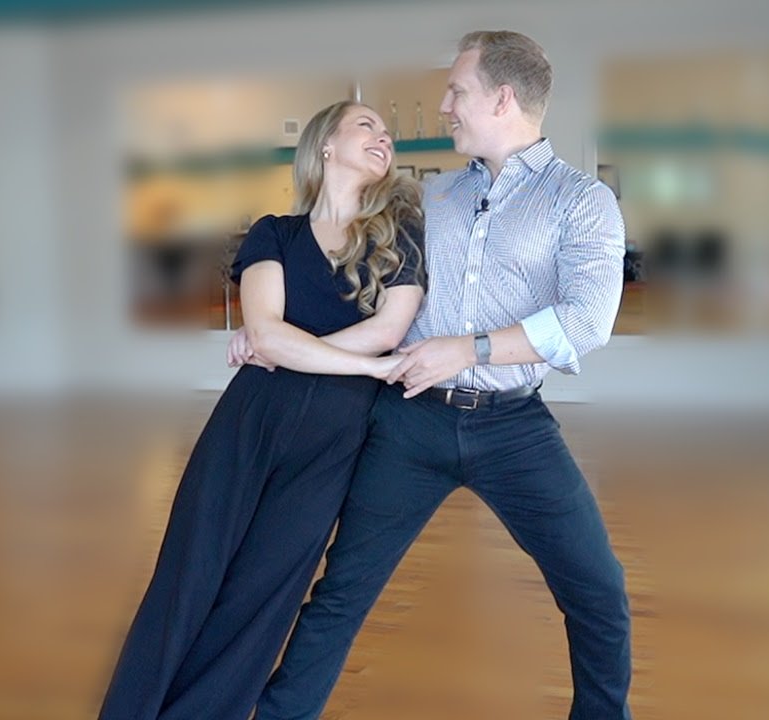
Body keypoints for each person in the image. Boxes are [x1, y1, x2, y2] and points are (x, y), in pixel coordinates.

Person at [246, 31, 633, 719]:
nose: (445, 105)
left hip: (515, 428)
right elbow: (340, 260)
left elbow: (585, 323)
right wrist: (269, 332)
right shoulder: (428, 198)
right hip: (410, 423)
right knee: (341, 593)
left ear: (503, 98)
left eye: (457, 90)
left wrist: (470, 348)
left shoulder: (581, 202)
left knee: (598, 591)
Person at [98, 100, 426, 720]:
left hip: (335, 442)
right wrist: (355, 364)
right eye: (367, 126)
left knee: (263, 596)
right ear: (325, 145)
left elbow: (388, 329)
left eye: (388, 133)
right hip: (250, 422)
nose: (383, 137)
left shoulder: (400, 238)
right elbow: (271, 336)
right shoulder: (274, 232)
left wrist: (292, 348)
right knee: (188, 576)